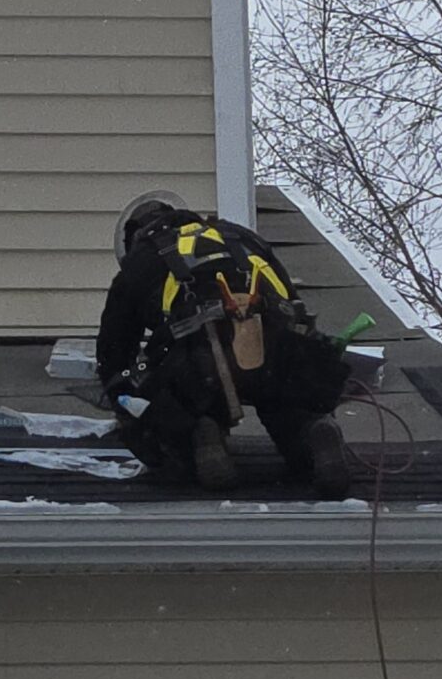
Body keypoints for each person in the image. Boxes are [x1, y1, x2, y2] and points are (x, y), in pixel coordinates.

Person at [95, 195, 354, 498]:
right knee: (289, 406)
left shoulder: (141, 260)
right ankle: (313, 433)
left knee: (176, 407)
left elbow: (113, 353)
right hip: (273, 343)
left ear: (136, 236)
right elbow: (294, 307)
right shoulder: (240, 236)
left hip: (197, 359)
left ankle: (201, 436)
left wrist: (130, 406)